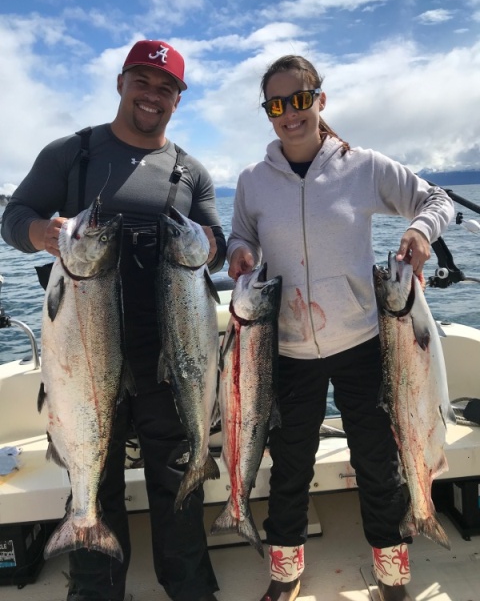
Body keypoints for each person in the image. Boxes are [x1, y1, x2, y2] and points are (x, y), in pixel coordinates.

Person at [1, 39, 226, 601]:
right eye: (143, 81)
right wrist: (41, 234)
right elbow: (14, 217)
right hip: (82, 356)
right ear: (121, 81)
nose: (153, 95)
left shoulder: (189, 172)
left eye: (166, 87)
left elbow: (214, 242)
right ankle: (96, 589)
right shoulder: (70, 154)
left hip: (169, 355)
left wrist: (221, 248)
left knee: (179, 479)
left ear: (179, 99)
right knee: (91, 474)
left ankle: (190, 586)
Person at [227, 55, 454, 601]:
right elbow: (241, 237)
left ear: (319, 101)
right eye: (276, 105)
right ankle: (285, 575)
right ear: (268, 113)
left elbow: (436, 200)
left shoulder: (363, 167)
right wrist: (239, 252)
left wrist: (422, 231)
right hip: (285, 349)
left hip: (363, 343)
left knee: (378, 464)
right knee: (290, 468)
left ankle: (393, 577)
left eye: (300, 99)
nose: (290, 114)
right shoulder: (252, 181)